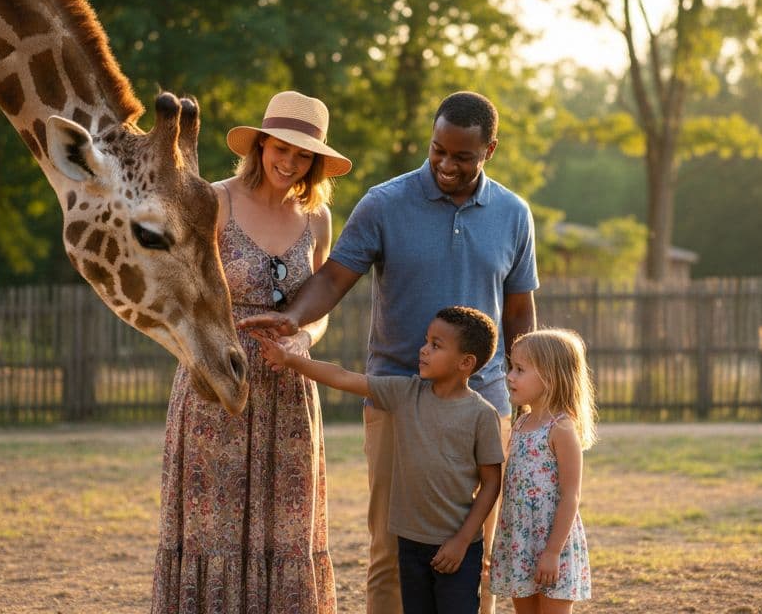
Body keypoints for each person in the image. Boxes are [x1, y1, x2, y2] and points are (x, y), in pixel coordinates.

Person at [240, 90, 538, 614]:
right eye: (437, 150)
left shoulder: (514, 214)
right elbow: (334, 277)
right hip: (399, 401)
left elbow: (518, 313)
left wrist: (528, 392)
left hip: (485, 404)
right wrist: (292, 317)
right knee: (391, 551)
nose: (446, 164)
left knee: (479, 550)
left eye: (461, 156)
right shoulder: (384, 202)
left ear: (489, 150)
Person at [150, 91, 352, 614]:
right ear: (260, 144)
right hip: (218, 379)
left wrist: (303, 339)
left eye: (303, 154)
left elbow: (320, 304)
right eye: (280, 148)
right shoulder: (216, 200)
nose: (289, 161)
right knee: (213, 518)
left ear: (315, 163)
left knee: (285, 520)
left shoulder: (318, 218)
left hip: (290, 384)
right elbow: (182, 286)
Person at [255, 305, 506, 614]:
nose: (423, 350)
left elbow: (492, 484)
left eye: (436, 346)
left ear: (465, 363)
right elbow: (344, 378)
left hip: (458, 548)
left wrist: (462, 541)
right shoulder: (405, 393)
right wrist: (290, 359)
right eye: (427, 341)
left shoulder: (483, 415)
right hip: (410, 542)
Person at [490, 329, 597, 613]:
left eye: (520, 370)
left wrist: (552, 552)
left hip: (552, 542)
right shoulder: (521, 423)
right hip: (520, 542)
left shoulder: (561, 428)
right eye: (511, 367)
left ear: (550, 377)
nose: (510, 376)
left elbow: (570, 496)